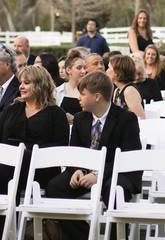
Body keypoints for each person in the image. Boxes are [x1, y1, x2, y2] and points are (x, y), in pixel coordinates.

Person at [0, 65, 70, 239]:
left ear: (40, 85)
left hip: (41, 169)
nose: (21, 86)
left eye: (27, 83)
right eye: (21, 83)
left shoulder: (56, 114)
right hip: (7, 167)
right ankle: (7, 235)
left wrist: (30, 153)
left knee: (18, 158)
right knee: (8, 174)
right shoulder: (12, 109)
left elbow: (60, 149)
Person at [45, 71, 142, 240]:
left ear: (97, 97)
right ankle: (86, 236)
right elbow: (75, 151)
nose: (78, 98)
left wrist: (98, 175)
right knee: (55, 187)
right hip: (84, 171)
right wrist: (76, 170)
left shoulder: (126, 119)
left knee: (113, 189)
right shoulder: (81, 118)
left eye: (82, 94)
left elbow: (129, 157)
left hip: (116, 172)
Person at [56, 48, 87, 121]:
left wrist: (74, 119)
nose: (83, 71)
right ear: (68, 70)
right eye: (79, 68)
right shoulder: (57, 91)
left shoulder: (89, 91)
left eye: (84, 68)